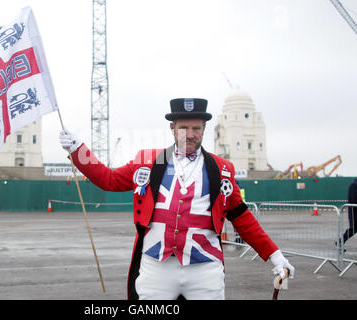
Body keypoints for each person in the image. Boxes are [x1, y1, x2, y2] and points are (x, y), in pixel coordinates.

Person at [59, 98, 294, 300]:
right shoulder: (151, 160)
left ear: (204, 129)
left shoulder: (221, 168)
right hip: (156, 266)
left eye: (196, 128)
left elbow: (242, 217)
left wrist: (276, 256)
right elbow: (108, 179)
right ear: (172, 128)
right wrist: (78, 150)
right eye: (183, 128)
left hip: (205, 270)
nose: (190, 135)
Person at [342, 179, 357, 246]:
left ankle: (340, 242)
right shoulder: (354, 185)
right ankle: (340, 241)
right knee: (353, 229)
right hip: (354, 212)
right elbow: (354, 199)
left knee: (353, 229)